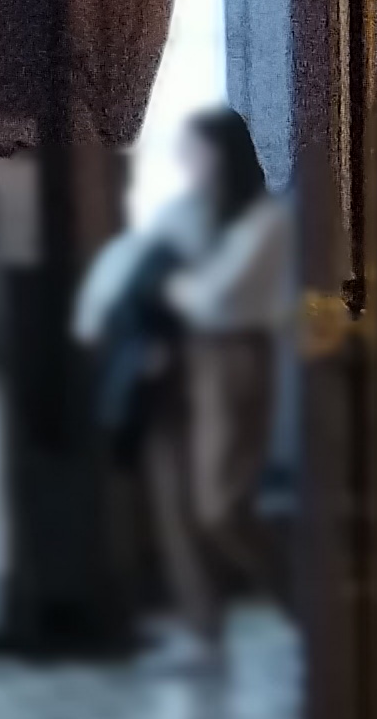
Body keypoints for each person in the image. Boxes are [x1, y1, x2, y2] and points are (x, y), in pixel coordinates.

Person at [74, 109, 293, 661]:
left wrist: (168, 285)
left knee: (221, 505)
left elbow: (215, 300)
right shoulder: (183, 211)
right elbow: (127, 270)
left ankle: (306, 606)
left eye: (197, 150)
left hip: (231, 356)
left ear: (226, 155)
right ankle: (201, 631)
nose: (186, 162)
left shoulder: (266, 220)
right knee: (172, 498)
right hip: (170, 356)